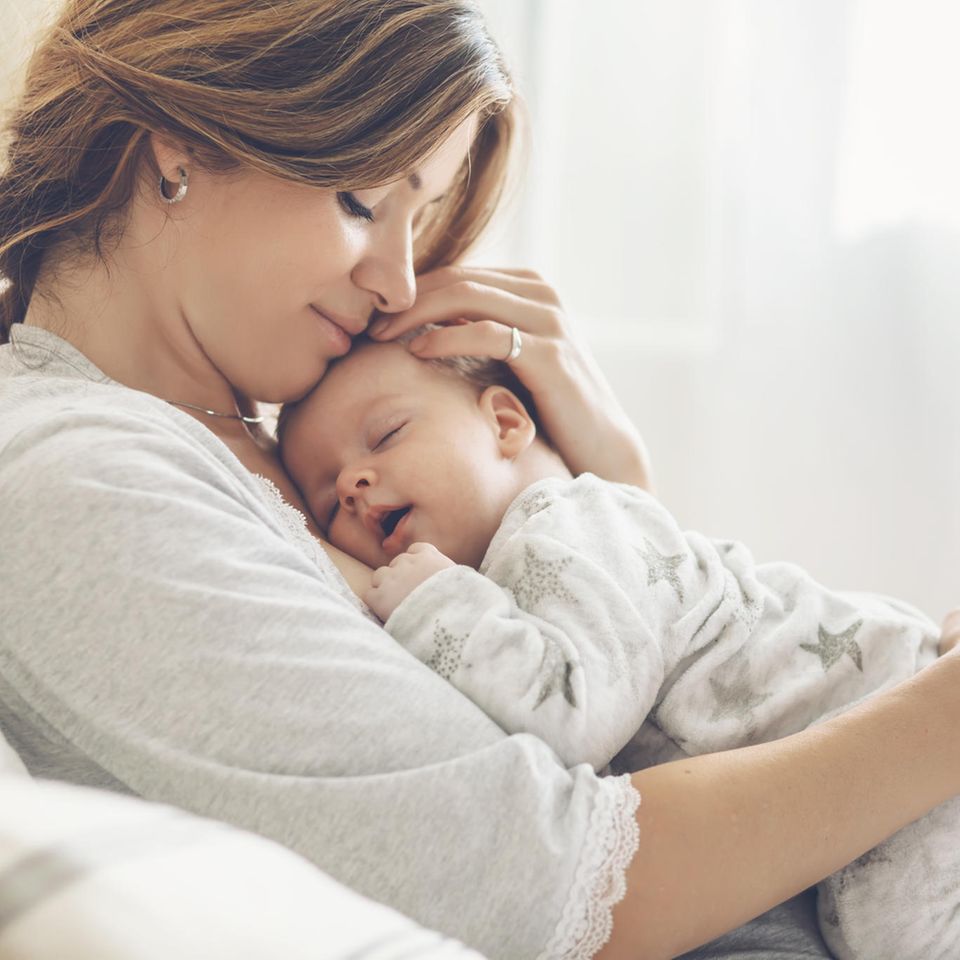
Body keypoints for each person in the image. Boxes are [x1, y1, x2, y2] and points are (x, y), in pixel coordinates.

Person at [1, 2, 959, 958]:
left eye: (418, 222)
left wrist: (614, 495)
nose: (399, 283)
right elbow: (553, 881)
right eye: (362, 202)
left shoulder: (274, 440)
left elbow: (641, 722)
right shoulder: (79, 480)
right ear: (175, 152)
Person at [277, 332, 958, 960]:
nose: (352, 485)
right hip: (886, 726)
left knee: (889, 929)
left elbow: (576, 717)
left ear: (506, 423)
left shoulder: (564, 521)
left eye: (386, 436)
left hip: (902, 718)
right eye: (328, 503)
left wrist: (434, 601)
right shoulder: (528, 564)